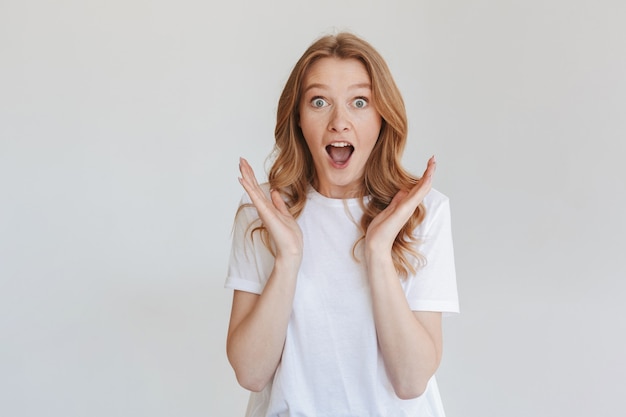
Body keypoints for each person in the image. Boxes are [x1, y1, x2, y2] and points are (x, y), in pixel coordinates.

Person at [224, 32, 459, 417]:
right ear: (298, 118)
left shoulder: (423, 210)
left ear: (383, 117)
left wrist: (379, 253)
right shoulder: (264, 211)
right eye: (319, 102)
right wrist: (289, 258)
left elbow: (411, 381)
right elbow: (250, 373)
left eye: (359, 102)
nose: (339, 122)